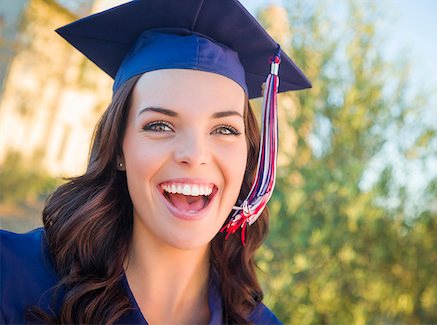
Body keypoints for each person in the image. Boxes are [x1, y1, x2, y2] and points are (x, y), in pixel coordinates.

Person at [0, 0, 310, 324]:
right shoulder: (12, 277)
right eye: (160, 126)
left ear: (248, 155)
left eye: (224, 129)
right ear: (119, 148)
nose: (195, 154)